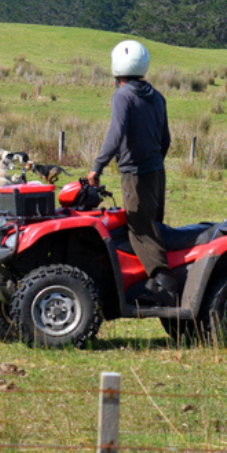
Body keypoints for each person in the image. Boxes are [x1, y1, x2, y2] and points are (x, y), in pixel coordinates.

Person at [87, 40, 176, 306]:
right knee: (153, 224)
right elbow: (166, 139)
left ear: (117, 69)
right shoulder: (157, 96)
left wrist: (97, 167)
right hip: (157, 172)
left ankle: (165, 284)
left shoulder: (122, 96)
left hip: (135, 173)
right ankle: (150, 282)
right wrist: (155, 162)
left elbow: (116, 134)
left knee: (139, 228)